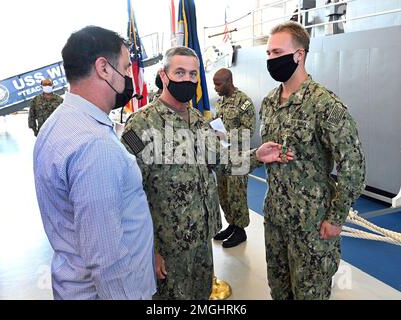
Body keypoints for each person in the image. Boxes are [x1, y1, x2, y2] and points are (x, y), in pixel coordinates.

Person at [120, 46, 292, 300]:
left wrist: (257, 156)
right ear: (164, 75)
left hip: (202, 237)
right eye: (179, 72)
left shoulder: (198, 120)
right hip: (168, 244)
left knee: (201, 295)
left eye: (193, 74)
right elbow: (129, 192)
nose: (187, 80)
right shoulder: (141, 123)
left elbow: (221, 161)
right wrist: (149, 249)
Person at [33, 26, 156, 300]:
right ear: (103, 68)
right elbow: (107, 259)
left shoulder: (59, 123)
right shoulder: (94, 146)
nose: (128, 76)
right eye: (125, 67)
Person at [261, 21, 365, 300]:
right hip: (275, 219)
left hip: (312, 224)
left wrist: (335, 218)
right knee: (279, 291)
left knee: (310, 294)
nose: (271, 59)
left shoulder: (324, 104)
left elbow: (352, 166)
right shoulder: (270, 102)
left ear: (299, 54)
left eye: (277, 52)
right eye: (268, 53)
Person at [212, 68, 256, 248]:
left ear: (229, 81)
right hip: (223, 157)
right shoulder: (220, 102)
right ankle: (231, 224)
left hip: (239, 157)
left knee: (236, 194)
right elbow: (217, 123)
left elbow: (249, 131)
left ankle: (240, 231)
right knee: (224, 193)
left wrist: (225, 137)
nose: (215, 88)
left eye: (218, 84)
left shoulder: (244, 102)